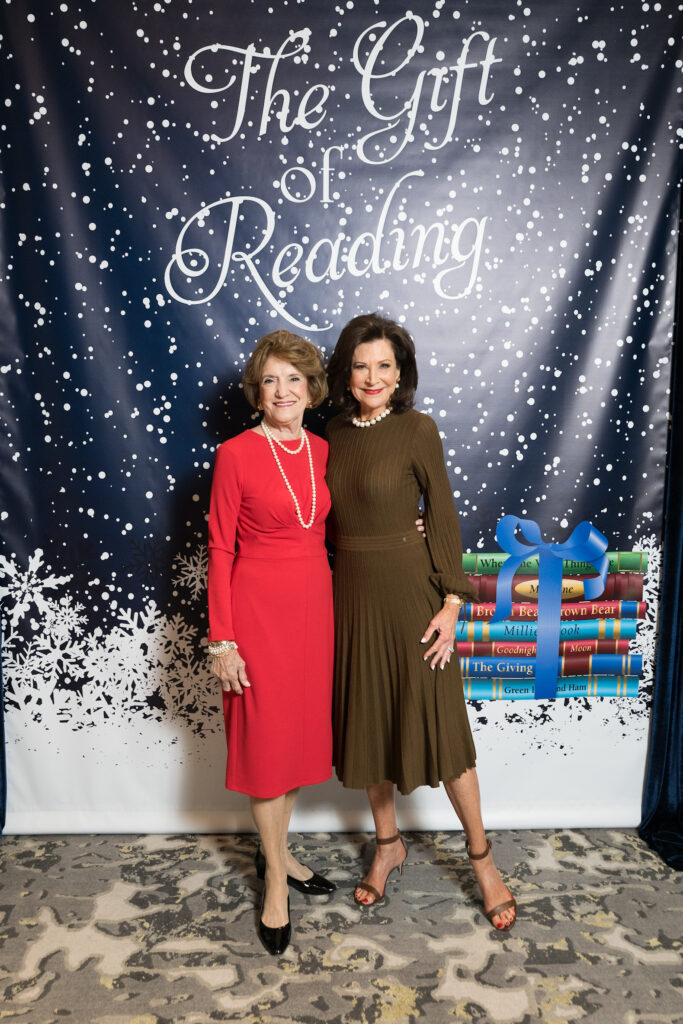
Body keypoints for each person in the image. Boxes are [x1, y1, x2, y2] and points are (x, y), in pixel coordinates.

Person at [325, 312, 516, 931]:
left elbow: (443, 516)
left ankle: (482, 859)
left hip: (413, 595)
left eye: (384, 364)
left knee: (443, 727)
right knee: (370, 719)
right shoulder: (328, 434)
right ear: (345, 373)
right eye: (361, 365)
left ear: (400, 371)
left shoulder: (417, 430)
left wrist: (453, 603)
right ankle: (388, 845)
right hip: (350, 596)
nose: (373, 376)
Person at [207, 330, 336, 956]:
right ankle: (276, 885)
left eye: (294, 379)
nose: (283, 391)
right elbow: (221, 548)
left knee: (298, 739)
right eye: (270, 380)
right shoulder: (235, 453)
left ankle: (277, 855)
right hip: (257, 613)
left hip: (317, 608)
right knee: (265, 746)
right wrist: (222, 641)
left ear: (311, 388)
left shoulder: (322, 449)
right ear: (257, 392)